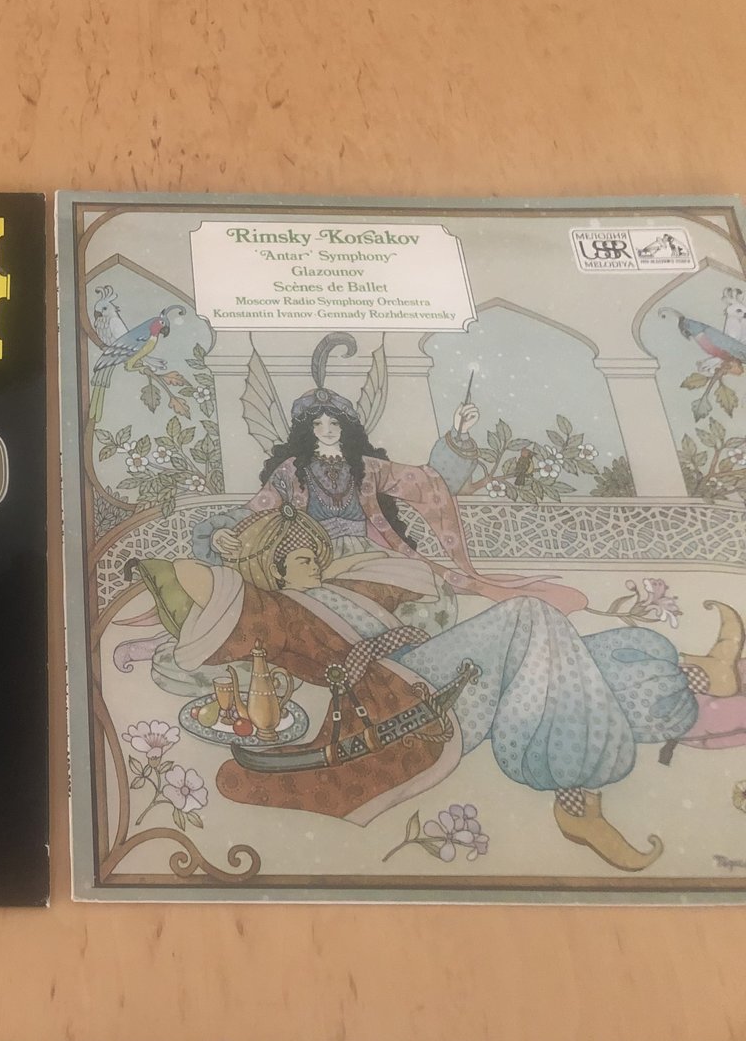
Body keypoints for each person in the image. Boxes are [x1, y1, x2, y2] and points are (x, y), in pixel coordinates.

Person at [138, 506, 712, 871]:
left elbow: (413, 578)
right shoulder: (279, 614)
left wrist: (334, 576)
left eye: (316, 555)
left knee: (552, 652)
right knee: (529, 619)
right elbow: (188, 576)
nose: (316, 565)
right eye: (304, 559)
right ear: (276, 569)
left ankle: (688, 673)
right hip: (396, 699)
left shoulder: (341, 586)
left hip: (422, 667)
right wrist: (236, 552)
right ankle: (578, 798)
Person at [191, 333, 587, 624]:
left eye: (334, 423)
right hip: (310, 556)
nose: (327, 430)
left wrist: (458, 434)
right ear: (306, 430)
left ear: (346, 428)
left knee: (426, 588)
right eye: (318, 424)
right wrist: (221, 533)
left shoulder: (368, 468)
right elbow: (255, 509)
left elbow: (427, 482)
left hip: (369, 550)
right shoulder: (291, 471)